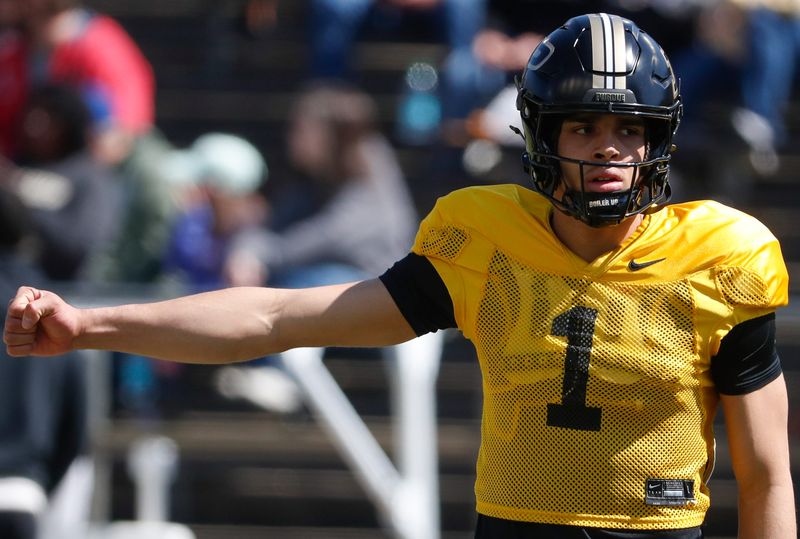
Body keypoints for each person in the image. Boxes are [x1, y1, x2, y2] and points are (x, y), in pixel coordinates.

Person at [3, 13, 796, 538]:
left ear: (659, 138)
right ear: (542, 136)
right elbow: (282, 316)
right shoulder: (487, 241)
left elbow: (765, 473)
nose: (608, 148)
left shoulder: (722, 256)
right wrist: (94, 325)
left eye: (629, 128)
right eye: (583, 126)